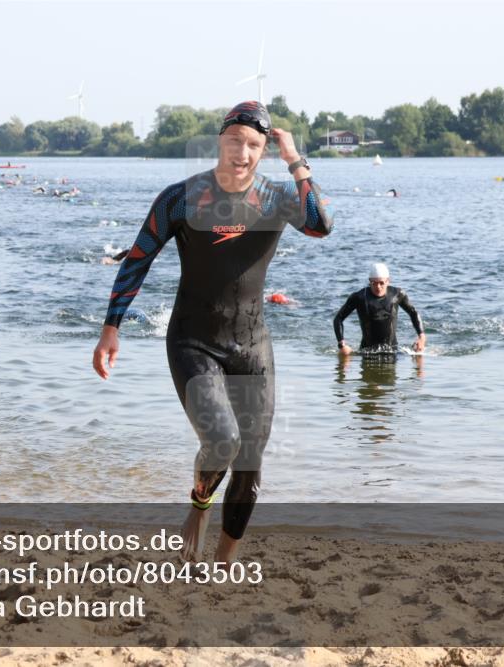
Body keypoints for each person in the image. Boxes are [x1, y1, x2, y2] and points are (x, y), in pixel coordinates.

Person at [92, 101, 333, 562]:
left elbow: (322, 223)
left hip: (252, 346)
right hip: (193, 339)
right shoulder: (180, 198)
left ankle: (223, 561)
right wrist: (111, 328)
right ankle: (199, 505)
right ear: (219, 140)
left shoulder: (278, 197)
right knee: (222, 439)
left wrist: (295, 159)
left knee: (250, 462)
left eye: (254, 145)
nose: (242, 152)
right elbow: (138, 259)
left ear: (264, 151)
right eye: (234, 140)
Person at [334, 263, 425, 355]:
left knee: (418, 356)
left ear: (388, 281)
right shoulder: (359, 297)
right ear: (370, 281)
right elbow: (338, 318)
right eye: (374, 283)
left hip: (392, 351)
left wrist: (421, 336)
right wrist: (342, 345)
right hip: (366, 352)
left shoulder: (397, 294)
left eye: (381, 283)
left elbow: (413, 312)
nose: (378, 287)